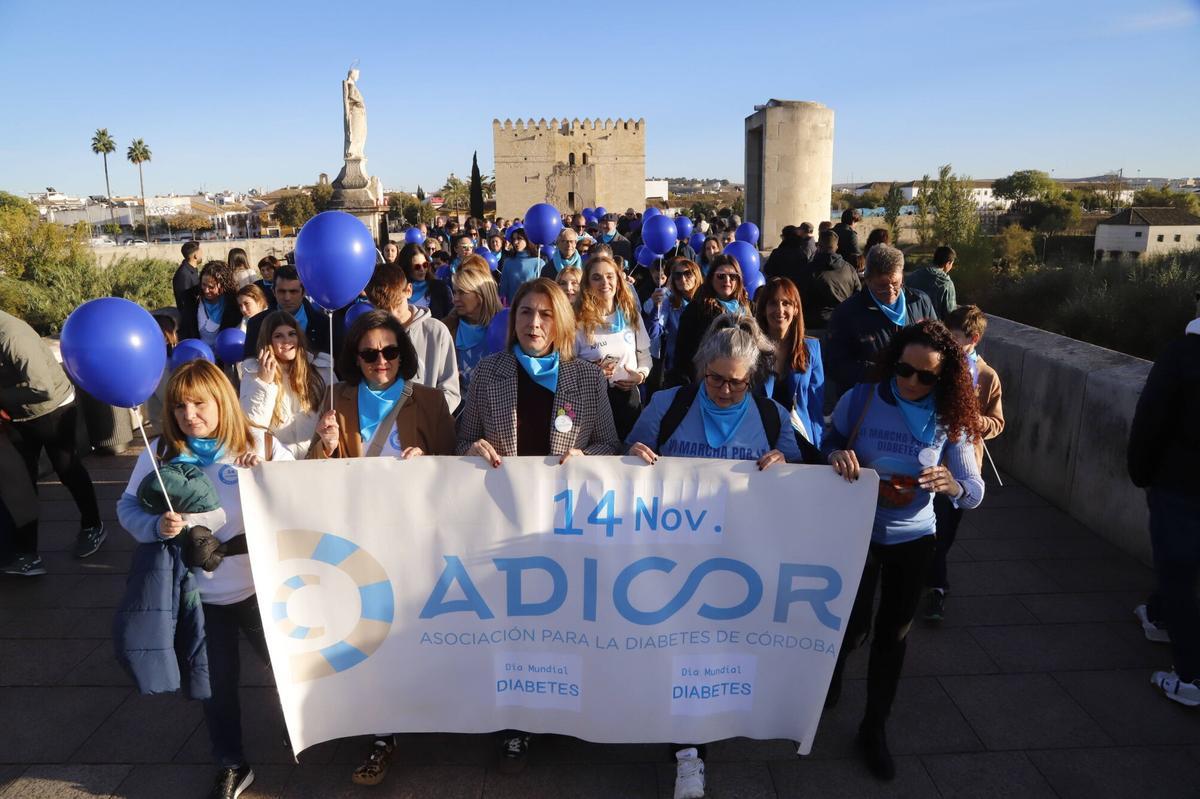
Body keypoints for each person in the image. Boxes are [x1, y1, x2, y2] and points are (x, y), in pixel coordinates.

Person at [625, 313, 816, 799]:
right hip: (669, 557)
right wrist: (635, 457)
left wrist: (784, 464)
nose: (725, 391)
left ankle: (705, 725)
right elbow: (626, 458)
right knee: (679, 648)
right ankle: (688, 752)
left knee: (715, 651)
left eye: (736, 382)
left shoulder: (771, 415)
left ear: (751, 378)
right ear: (701, 369)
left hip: (736, 561)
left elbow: (801, 475)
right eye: (715, 380)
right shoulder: (668, 404)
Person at [457, 279, 619, 770]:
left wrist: (586, 458)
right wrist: (472, 448)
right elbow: (461, 441)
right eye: (526, 312)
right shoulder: (488, 373)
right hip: (503, 525)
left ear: (561, 322)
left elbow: (610, 444)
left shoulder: (585, 378)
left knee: (562, 623)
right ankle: (515, 722)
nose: (534, 323)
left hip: (564, 527)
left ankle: (565, 707)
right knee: (514, 625)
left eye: (546, 314)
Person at [116, 359, 292, 799]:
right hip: (200, 595)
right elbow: (127, 507)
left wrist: (270, 474)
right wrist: (157, 526)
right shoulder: (161, 452)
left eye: (199, 404)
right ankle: (232, 763)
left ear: (222, 401)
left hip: (262, 588)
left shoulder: (260, 442)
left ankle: (305, 730)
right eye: (179, 406)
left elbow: (303, 498)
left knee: (291, 667)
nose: (189, 415)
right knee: (216, 684)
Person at [823, 319, 984, 781]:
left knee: (892, 637)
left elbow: (974, 490)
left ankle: (873, 729)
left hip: (914, 539)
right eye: (904, 370)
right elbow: (828, 439)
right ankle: (829, 680)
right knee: (853, 627)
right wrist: (835, 454)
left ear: (944, 378)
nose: (912, 382)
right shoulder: (863, 397)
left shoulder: (949, 417)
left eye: (926, 376)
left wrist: (953, 484)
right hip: (858, 531)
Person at [1128, 300, 1200, 707]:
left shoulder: (1182, 355)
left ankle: (1191, 677)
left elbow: (1151, 418)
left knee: (1178, 570)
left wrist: (1141, 472)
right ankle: (1157, 615)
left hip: (1181, 484)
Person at [0, 309, 104, 574]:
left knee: (67, 468)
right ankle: (27, 553)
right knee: (20, 481)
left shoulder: (13, 337)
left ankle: (93, 525)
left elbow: (42, 387)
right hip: (19, 412)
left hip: (53, 409)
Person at [924, 305, 1004, 621]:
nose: (949, 343)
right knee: (930, 529)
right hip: (929, 460)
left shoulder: (986, 376)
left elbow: (997, 423)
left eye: (955, 338)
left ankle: (933, 582)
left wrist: (975, 421)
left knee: (945, 533)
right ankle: (935, 586)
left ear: (973, 339)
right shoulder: (935, 364)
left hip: (962, 467)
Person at [311, 310, 455, 464]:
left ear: (401, 355)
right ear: (356, 358)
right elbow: (310, 463)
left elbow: (451, 464)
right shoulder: (336, 397)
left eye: (390, 352)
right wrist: (326, 448)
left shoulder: (432, 401)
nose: (381, 361)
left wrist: (425, 460)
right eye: (369, 354)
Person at [825, 244, 935, 399]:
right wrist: (881, 372)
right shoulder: (847, 313)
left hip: (914, 397)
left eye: (895, 284)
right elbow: (834, 364)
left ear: (902, 275)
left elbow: (937, 344)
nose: (890, 291)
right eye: (882, 286)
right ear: (867, 280)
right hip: (867, 399)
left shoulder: (920, 301)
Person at [365, 263, 460, 413]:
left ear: (409, 290)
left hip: (428, 422)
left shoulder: (436, 331)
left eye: (397, 304)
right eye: (384, 309)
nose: (392, 314)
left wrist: (427, 418)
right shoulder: (369, 338)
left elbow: (451, 391)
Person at [575, 255, 651, 439]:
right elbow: (566, 365)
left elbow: (645, 356)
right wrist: (592, 372)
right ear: (587, 284)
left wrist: (640, 376)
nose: (604, 282)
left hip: (628, 400)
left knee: (628, 451)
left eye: (610, 276)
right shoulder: (577, 321)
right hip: (592, 402)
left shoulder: (631, 315)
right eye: (596, 277)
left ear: (618, 280)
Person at [239, 311, 326, 460]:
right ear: (268, 342)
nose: (287, 341)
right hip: (278, 462)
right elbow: (253, 427)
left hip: (318, 460)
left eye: (292, 334)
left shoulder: (321, 369)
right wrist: (264, 384)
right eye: (278, 336)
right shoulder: (253, 374)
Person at [755, 277, 825, 447]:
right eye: (773, 303)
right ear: (763, 310)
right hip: (759, 438)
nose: (780, 310)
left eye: (786, 303)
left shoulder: (812, 348)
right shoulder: (751, 348)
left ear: (796, 309)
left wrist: (817, 449)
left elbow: (815, 407)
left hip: (799, 440)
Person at [669, 254, 754, 386]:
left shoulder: (749, 307)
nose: (727, 280)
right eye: (721, 276)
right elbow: (682, 354)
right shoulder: (697, 309)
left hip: (741, 383)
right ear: (711, 278)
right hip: (707, 383)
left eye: (733, 276)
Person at [241, 266, 333, 367]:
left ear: (304, 292)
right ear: (273, 291)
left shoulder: (323, 323)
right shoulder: (256, 323)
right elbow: (250, 365)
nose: (287, 298)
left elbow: (329, 364)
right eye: (282, 291)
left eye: (293, 291)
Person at [443, 261, 502, 397]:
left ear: (481, 295)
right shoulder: (447, 329)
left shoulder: (505, 327)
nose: (455, 299)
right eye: (455, 292)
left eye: (462, 293)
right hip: (460, 404)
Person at [799, 229, 860, 331]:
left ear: (818, 246)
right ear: (836, 247)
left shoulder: (809, 270)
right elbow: (858, 296)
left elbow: (800, 297)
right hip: (843, 324)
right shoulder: (849, 269)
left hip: (815, 325)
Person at [399, 242, 453, 319]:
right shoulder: (397, 292)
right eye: (417, 267)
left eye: (425, 265)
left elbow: (450, 316)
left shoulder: (441, 288)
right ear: (406, 268)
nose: (422, 269)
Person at [904, 245, 958, 321]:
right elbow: (950, 314)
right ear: (947, 264)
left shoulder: (914, 275)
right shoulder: (946, 283)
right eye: (952, 264)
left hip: (909, 323)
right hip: (933, 326)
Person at [497, 228, 544, 304]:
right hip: (511, 307)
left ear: (527, 240)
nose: (515, 242)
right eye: (513, 239)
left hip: (531, 306)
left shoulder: (539, 262)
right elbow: (503, 290)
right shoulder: (508, 262)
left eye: (519, 238)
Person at [173, 240, 203, 324]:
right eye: (200, 252)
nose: (202, 255)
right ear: (195, 256)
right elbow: (184, 303)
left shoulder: (191, 270)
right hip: (190, 321)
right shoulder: (183, 274)